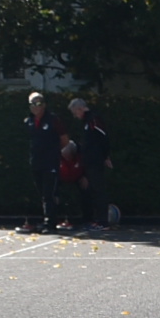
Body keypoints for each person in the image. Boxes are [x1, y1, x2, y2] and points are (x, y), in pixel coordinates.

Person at [67, 96, 114, 228]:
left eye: (75, 112)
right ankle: (94, 219)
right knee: (91, 190)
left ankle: (102, 221)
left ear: (80, 109)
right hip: (89, 160)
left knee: (98, 190)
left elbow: (103, 137)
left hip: (95, 160)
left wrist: (105, 156)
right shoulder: (87, 122)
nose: (75, 116)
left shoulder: (93, 120)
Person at [25, 93, 65, 233]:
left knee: (49, 193)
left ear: (44, 105)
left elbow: (64, 139)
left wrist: (54, 152)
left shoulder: (53, 120)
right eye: (33, 104)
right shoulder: (29, 121)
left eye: (39, 103)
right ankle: (45, 220)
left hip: (50, 162)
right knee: (42, 193)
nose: (36, 107)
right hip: (36, 162)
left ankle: (51, 223)